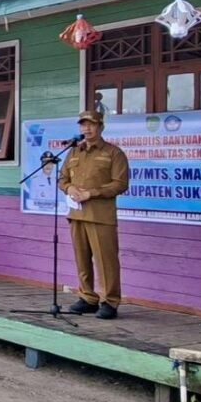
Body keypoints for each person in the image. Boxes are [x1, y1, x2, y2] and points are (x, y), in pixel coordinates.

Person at [57, 110, 130, 320]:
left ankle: (110, 301)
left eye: (91, 125)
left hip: (100, 216)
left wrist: (92, 193)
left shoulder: (113, 153)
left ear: (101, 127)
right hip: (77, 214)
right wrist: (69, 188)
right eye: (83, 125)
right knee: (82, 259)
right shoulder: (74, 152)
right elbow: (62, 179)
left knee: (106, 261)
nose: (87, 129)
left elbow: (120, 183)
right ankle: (88, 297)